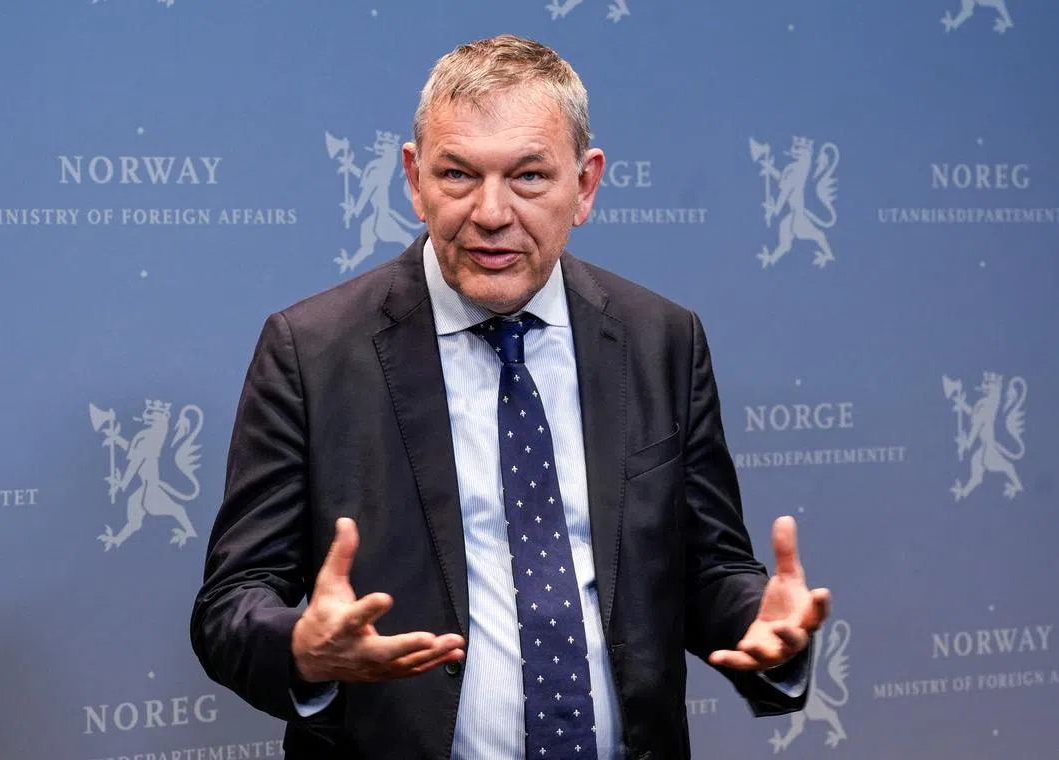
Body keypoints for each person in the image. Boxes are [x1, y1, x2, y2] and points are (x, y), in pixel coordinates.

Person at [190, 34, 831, 760]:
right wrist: (302, 650)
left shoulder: (661, 339)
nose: (491, 213)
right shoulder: (311, 351)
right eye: (458, 174)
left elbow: (706, 569)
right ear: (413, 178)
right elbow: (230, 605)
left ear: (585, 185)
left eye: (528, 177)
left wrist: (758, 622)